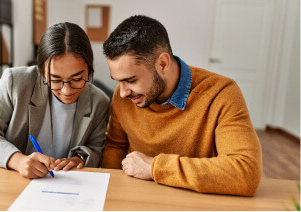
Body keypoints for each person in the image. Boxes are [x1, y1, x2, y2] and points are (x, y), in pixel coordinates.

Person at [101, 15, 262, 196]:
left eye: (131, 80)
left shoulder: (221, 93)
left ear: (163, 64)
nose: (122, 92)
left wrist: (156, 167)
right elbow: (115, 146)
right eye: (118, 81)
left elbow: (246, 173)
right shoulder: (124, 96)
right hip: (138, 198)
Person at [0, 22, 110, 179]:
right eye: (55, 79)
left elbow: (95, 149)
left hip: (62, 186)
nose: (67, 90)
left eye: (77, 79)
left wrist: (80, 159)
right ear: (42, 72)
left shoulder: (99, 101)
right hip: (8, 180)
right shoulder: (15, 82)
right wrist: (18, 161)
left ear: (90, 71)